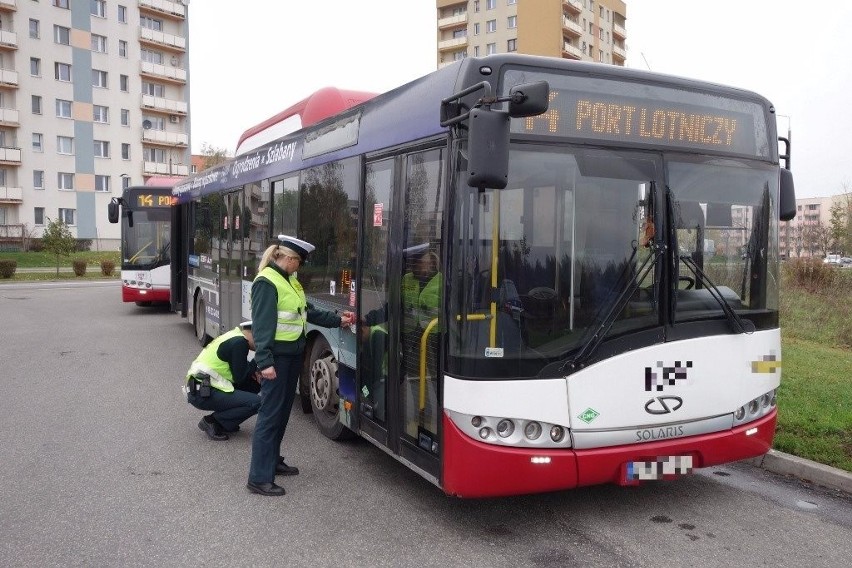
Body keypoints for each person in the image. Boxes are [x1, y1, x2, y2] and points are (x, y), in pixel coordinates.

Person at [246, 235, 354, 496]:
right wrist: (265, 363)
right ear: (286, 257)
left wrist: (339, 320)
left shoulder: (290, 281)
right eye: (297, 261)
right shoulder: (266, 283)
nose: (299, 267)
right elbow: (262, 327)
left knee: (282, 413)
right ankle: (258, 477)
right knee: (270, 415)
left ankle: (273, 461)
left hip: (292, 356)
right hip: (277, 360)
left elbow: (308, 312)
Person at [185, 321, 261, 441]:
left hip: (203, 388)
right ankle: (213, 421)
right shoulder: (239, 343)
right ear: (255, 333)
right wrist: (257, 360)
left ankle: (227, 421)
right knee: (258, 402)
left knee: (254, 386)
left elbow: (238, 370)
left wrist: (253, 371)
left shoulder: (234, 337)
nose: (262, 345)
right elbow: (240, 377)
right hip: (203, 392)